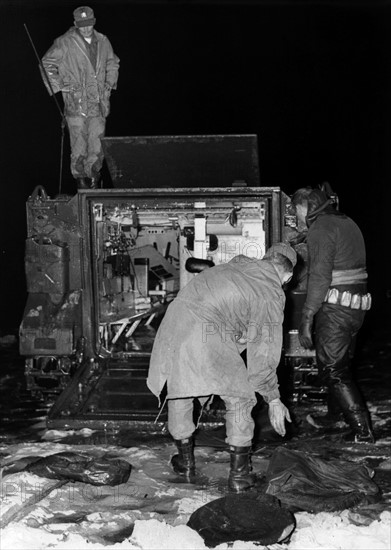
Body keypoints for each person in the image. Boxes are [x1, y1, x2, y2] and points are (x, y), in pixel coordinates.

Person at [147, 243, 296, 493]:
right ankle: (239, 475)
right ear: (288, 276)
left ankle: (185, 461)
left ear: (265, 258)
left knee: (181, 390)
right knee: (240, 397)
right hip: (206, 330)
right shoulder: (270, 291)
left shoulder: (235, 268)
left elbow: (229, 314)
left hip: (174, 323)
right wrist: (273, 398)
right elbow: (264, 353)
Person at [291, 185, 374, 443]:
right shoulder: (345, 221)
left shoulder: (321, 228)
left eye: (296, 213)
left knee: (333, 369)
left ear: (307, 208)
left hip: (336, 308)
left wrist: (306, 318)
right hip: (355, 306)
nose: (296, 219)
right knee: (340, 364)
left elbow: (319, 276)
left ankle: (362, 431)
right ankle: (336, 416)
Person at [41, 6, 120, 190]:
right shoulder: (65, 42)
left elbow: (113, 62)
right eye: (82, 25)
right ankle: (81, 183)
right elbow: (46, 63)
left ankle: (94, 181)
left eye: (89, 24)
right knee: (78, 146)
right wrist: (60, 86)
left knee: (97, 145)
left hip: (98, 103)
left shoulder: (103, 41)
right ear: (76, 24)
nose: (86, 29)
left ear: (93, 22)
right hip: (76, 104)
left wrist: (109, 84)